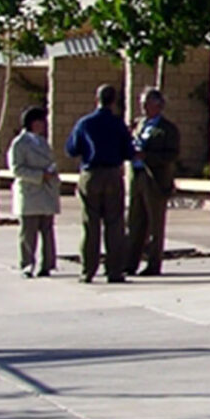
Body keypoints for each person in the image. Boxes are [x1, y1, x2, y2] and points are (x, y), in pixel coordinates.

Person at [64, 84, 133, 284]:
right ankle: (114, 271)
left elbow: (72, 149)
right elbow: (128, 152)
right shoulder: (118, 124)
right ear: (113, 101)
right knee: (115, 223)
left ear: (97, 99)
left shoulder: (84, 123)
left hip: (90, 173)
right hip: (112, 173)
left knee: (90, 224)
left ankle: (88, 270)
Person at [125, 88, 180, 277]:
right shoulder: (138, 125)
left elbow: (172, 155)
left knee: (155, 224)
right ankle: (130, 262)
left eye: (147, 103)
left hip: (155, 179)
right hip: (137, 176)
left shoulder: (167, 129)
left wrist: (148, 156)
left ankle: (153, 263)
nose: (143, 107)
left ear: (158, 105)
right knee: (134, 221)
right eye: (141, 103)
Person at [8, 106, 60, 277]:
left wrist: (51, 173)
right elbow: (17, 169)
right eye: (40, 121)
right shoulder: (19, 144)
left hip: (46, 192)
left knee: (47, 230)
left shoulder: (43, 142)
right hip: (30, 192)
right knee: (28, 232)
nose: (43, 125)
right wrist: (39, 175)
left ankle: (47, 265)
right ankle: (27, 264)